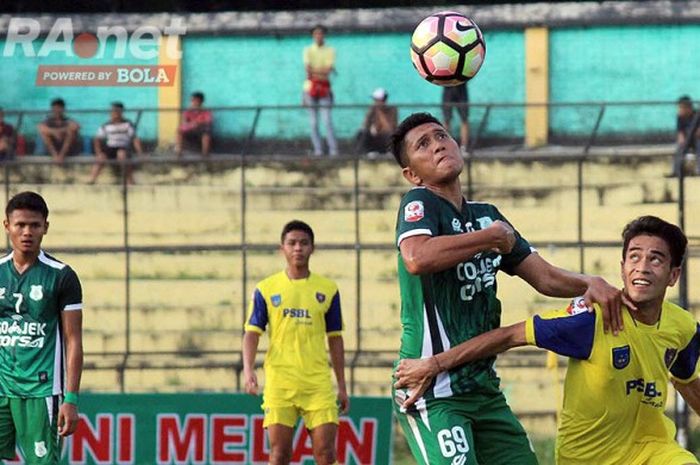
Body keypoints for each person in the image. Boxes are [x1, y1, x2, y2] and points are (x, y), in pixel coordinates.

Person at [389, 112, 629, 465]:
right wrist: (490, 238)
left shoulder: (488, 215)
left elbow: (544, 277)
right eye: (423, 144)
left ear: (457, 144)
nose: (438, 144)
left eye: (441, 135)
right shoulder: (420, 203)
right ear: (412, 174)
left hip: (482, 386)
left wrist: (589, 282)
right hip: (432, 385)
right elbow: (416, 257)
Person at [395, 215, 700, 465]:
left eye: (656, 259)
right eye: (634, 257)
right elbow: (509, 336)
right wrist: (434, 364)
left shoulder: (682, 326)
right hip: (588, 459)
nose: (643, 267)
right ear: (622, 268)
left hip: (652, 450)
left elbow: (686, 380)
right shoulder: (588, 320)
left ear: (674, 275)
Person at [242, 220, 348, 465]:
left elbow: (335, 339)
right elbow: (252, 333)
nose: (297, 248)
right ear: (283, 249)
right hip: (281, 383)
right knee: (279, 455)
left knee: (326, 454)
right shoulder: (266, 289)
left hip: (317, 384)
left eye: (303, 243)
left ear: (313, 248)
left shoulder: (328, 289)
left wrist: (342, 386)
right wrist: (249, 370)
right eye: (292, 243)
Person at [0, 191, 84, 464]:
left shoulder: (62, 276)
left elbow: (73, 340)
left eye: (34, 225)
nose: (27, 232)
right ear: (7, 226)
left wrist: (70, 398)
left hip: (41, 391)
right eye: (20, 225)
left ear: (45, 227)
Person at [303, 25, 338, 157]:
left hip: (325, 88)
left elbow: (328, 71)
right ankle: (318, 151)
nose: (318, 36)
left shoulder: (330, 50)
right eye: (316, 34)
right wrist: (320, 72)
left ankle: (333, 151)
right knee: (313, 123)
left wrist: (314, 72)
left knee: (327, 121)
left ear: (324, 35)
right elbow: (307, 70)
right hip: (309, 89)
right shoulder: (308, 50)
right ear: (313, 36)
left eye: (321, 33)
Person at [89, 102, 144, 185]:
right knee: (101, 157)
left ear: (121, 112)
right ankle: (92, 180)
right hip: (110, 147)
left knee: (121, 155)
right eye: (113, 111)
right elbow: (97, 139)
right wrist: (98, 152)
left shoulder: (127, 124)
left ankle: (129, 180)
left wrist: (140, 152)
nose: (114, 113)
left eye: (117, 111)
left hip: (123, 147)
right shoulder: (106, 125)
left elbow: (134, 139)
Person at [355, 88, 397, 156]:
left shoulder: (392, 110)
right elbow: (365, 125)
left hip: (384, 138)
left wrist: (380, 112)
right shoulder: (372, 109)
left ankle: (389, 152)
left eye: (376, 100)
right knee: (361, 133)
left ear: (383, 100)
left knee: (391, 135)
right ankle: (369, 152)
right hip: (375, 136)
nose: (374, 102)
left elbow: (389, 128)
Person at [36, 98, 81, 163]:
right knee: (44, 134)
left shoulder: (67, 120)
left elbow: (76, 126)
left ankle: (61, 156)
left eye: (59, 108)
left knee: (71, 133)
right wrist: (54, 132)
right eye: (54, 108)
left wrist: (60, 131)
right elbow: (40, 127)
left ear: (63, 109)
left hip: (67, 150)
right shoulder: (49, 120)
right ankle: (55, 155)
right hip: (54, 149)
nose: (57, 110)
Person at [175, 91, 212, 158]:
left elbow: (208, 122)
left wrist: (198, 123)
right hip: (190, 129)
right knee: (179, 130)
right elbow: (184, 122)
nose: (194, 102)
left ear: (201, 101)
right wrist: (191, 124)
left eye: (196, 100)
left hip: (201, 130)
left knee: (206, 133)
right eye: (193, 100)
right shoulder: (188, 110)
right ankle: (179, 153)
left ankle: (205, 154)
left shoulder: (206, 111)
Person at [672, 95, 700, 177]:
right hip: (687, 139)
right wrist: (681, 138)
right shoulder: (680, 117)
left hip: (696, 139)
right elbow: (680, 131)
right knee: (679, 148)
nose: (680, 110)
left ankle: (698, 170)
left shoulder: (697, 115)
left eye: (682, 107)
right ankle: (676, 171)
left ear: (688, 108)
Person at [443, 82, 470, 152]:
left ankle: (464, 147)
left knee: (464, 119)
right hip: (448, 89)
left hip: (461, 89)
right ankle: (445, 146)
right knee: (446, 119)